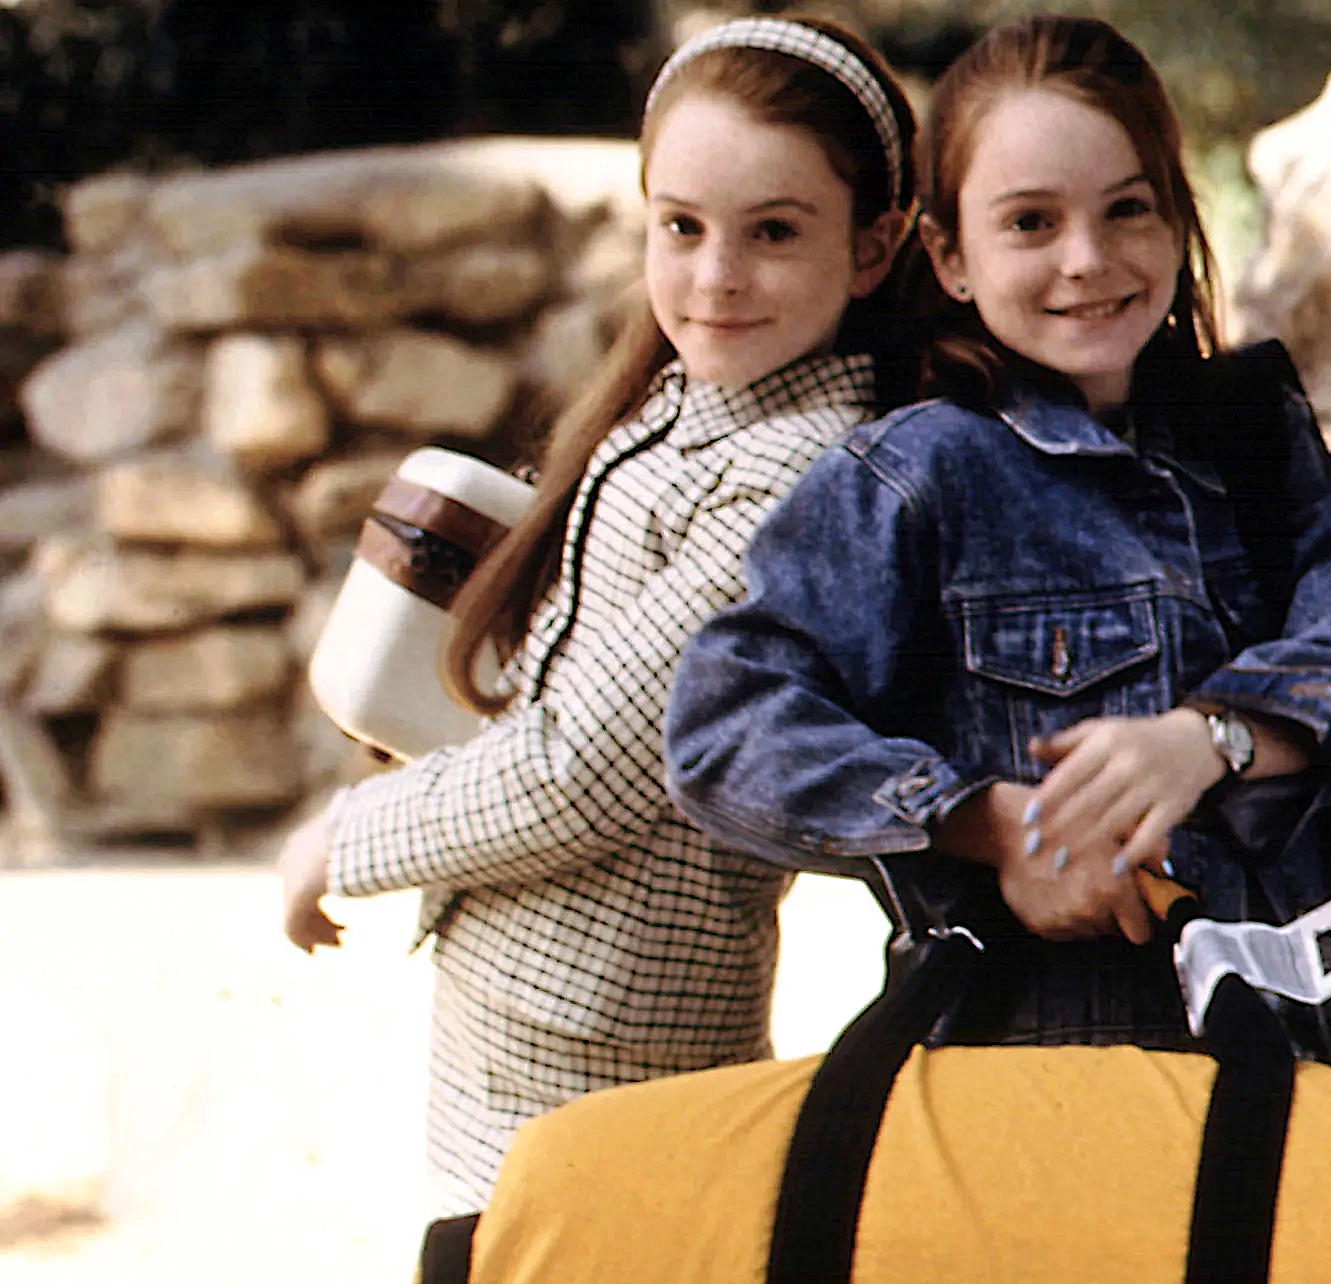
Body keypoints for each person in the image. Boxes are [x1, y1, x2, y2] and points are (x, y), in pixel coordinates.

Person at [663, 15, 1331, 1055]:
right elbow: (725, 727)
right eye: (1029, 222)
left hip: (1300, 1055)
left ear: (1176, 221)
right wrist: (994, 829)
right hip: (1029, 1075)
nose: (1087, 260)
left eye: (1127, 210)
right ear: (946, 255)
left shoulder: (1251, 441)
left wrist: (1215, 739)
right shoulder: (915, 475)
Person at [272, 15, 919, 1215]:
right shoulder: (684, 409)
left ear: (872, 248)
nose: (714, 275)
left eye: (773, 233)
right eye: (680, 227)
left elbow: (584, 771)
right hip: (528, 1016)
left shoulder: (795, 475)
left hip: (613, 1041)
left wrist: (346, 837)